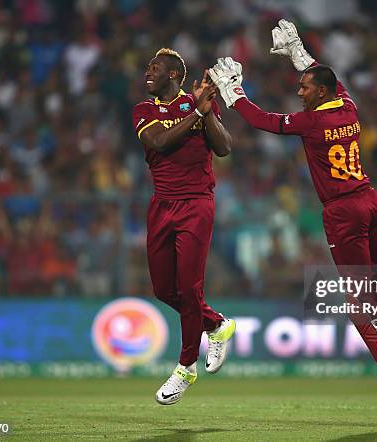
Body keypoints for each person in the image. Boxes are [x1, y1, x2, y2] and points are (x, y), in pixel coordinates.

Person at [209, 20, 377, 403]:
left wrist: (234, 94)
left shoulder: (312, 121)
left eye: (304, 87)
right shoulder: (348, 106)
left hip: (343, 211)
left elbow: (263, 121)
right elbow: (323, 78)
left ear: (320, 92)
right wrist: (299, 53)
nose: (299, 92)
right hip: (370, 200)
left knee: (359, 298)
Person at [132, 48, 236, 405]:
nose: (148, 71)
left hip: (196, 204)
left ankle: (185, 368)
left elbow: (223, 147)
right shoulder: (143, 111)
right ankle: (217, 324)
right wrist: (196, 111)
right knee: (164, 289)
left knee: (190, 288)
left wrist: (206, 113)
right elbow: (158, 142)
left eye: (154, 67)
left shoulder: (197, 106)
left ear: (174, 74)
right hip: (161, 205)